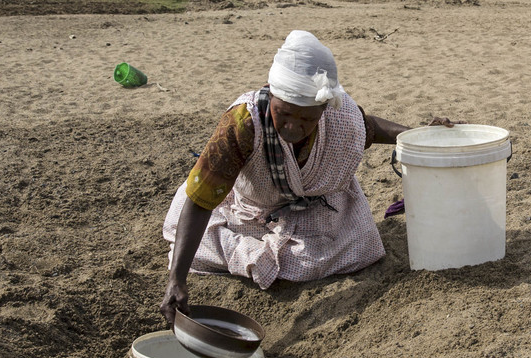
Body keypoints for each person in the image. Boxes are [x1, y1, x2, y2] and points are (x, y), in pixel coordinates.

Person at [160, 30, 424, 326]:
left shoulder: (339, 116)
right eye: (283, 113)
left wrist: (421, 137)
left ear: (324, 109)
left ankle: (265, 252)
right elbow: (201, 200)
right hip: (251, 208)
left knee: (355, 249)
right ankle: (251, 248)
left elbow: (370, 128)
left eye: (307, 119)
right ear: (271, 95)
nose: (294, 127)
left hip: (313, 210)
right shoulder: (243, 122)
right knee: (192, 245)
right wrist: (177, 280)